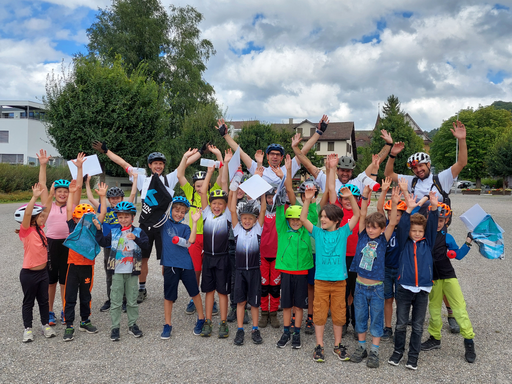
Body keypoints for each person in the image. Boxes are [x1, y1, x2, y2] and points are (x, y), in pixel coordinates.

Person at [92, 140, 201, 303]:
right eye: (155, 163)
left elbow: (184, 164)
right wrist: (106, 150)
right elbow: (123, 163)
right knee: (143, 259)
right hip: (145, 225)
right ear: (150, 165)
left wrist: (202, 151)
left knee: (168, 258)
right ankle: (142, 288)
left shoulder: (169, 179)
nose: (158, 166)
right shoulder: (142, 179)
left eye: (161, 164)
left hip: (163, 225)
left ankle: (168, 286)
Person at [301, 182, 360, 363]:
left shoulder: (343, 232)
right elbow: (303, 219)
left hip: (339, 281)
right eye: (322, 217)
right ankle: (319, 345)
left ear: (336, 220)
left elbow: (358, 215)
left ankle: (337, 345)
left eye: (326, 217)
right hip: (321, 280)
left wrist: (350, 196)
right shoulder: (318, 233)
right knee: (319, 313)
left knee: (339, 313)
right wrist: (308, 200)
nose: (323, 220)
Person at [349, 186, 399, 368]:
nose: (370, 230)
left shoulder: (383, 240)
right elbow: (362, 215)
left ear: (382, 229)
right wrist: (364, 197)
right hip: (360, 286)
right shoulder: (362, 236)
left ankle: (375, 350)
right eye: (369, 227)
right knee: (361, 317)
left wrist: (393, 203)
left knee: (376, 320)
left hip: (377, 288)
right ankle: (362, 347)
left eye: (375, 228)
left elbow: (392, 222)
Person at [388, 191, 439, 370]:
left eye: (420, 231)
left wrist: (434, 207)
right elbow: (401, 226)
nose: (416, 234)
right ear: (409, 231)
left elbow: (432, 225)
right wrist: (408, 209)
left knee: (417, 326)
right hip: (404, 288)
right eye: (413, 230)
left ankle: (413, 357)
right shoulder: (404, 242)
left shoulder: (428, 242)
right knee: (401, 324)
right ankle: (397, 352)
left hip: (423, 290)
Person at [420, 203, 476, 363]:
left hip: (448, 277)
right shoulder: (425, 235)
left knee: (459, 309)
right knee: (434, 309)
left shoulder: (447, 237)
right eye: (435, 219)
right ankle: (435, 338)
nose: (438, 222)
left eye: (441, 220)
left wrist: (467, 243)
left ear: (447, 220)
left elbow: (457, 255)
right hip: (433, 279)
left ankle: (469, 341)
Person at [274, 156, 316, 350]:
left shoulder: (306, 231)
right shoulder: (282, 229)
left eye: (298, 219)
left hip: (302, 271)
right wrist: (286, 175)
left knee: (299, 305)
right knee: (287, 305)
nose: (296, 222)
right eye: (293, 220)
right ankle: (286, 331)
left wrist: (307, 201)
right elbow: (284, 201)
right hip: (286, 271)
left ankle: (297, 332)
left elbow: (307, 216)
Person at [176, 146, 225, 316]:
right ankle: (193, 298)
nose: (199, 188)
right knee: (195, 270)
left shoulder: (212, 193)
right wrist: (185, 157)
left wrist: (218, 155)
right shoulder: (189, 193)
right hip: (194, 238)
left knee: (211, 270)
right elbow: (180, 175)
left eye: (202, 185)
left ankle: (213, 300)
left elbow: (222, 175)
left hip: (211, 237)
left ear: (208, 184)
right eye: (197, 185)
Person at [37, 149, 84, 326]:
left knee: (65, 280)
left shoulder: (72, 204)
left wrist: (79, 169)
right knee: (51, 282)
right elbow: (42, 185)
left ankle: (66, 309)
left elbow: (77, 187)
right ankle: (49, 312)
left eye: (65, 191)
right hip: (50, 244)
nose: (63, 194)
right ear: (54, 193)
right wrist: (43, 165)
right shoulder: (48, 205)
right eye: (60, 192)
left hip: (68, 245)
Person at [94, 198, 149, 341]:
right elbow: (103, 242)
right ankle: (115, 327)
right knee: (116, 300)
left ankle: (132, 324)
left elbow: (146, 246)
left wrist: (135, 238)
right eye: (120, 217)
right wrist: (99, 230)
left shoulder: (139, 231)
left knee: (131, 300)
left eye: (126, 217)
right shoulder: (113, 232)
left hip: (132, 271)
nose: (123, 220)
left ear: (132, 217)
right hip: (117, 271)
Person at [383, 120, 468, 213]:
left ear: (428, 164)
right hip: (417, 225)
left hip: (437, 225)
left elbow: (461, 163)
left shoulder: (441, 179)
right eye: (414, 168)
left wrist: (462, 140)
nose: (418, 170)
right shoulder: (412, 181)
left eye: (420, 166)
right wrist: (392, 155)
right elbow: (388, 174)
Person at [86, 174, 138, 313]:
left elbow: (133, 193)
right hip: (109, 247)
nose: (115, 200)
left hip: (124, 247)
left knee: (126, 272)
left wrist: (135, 179)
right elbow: (91, 198)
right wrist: (87, 183)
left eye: (117, 198)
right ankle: (111, 299)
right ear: (108, 199)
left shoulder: (125, 209)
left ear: (122, 199)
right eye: (112, 198)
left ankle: (125, 301)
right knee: (110, 273)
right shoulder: (105, 209)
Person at [158, 194, 206, 339]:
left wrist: (195, 221)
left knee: (194, 292)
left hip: (186, 265)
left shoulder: (185, 227)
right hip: (170, 265)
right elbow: (156, 212)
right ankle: (167, 324)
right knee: (168, 296)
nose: (179, 214)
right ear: (171, 209)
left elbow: (191, 240)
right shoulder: (164, 223)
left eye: (182, 212)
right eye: (176, 210)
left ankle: (201, 318)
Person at [15, 183, 56, 342]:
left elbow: (47, 210)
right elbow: (27, 215)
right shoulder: (26, 230)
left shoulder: (40, 228)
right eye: (39, 217)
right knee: (29, 302)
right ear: (33, 219)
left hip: (43, 272)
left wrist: (50, 194)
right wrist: (34, 197)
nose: (43, 218)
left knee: (44, 301)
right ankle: (27, 329)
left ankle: (45, 325)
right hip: (29, 274)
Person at [214, 118, 311, 185]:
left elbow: (303, 152)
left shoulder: (288, 168)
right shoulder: (259, 169)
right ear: (267, 156)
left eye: (278, 155)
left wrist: (319, 132)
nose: (275, 157)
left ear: (282, 158)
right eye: (272, 154)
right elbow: (241, 153)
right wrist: (225, 135)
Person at [62, 179, 101, 342]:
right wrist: (71, 192)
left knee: (86, 296)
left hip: (87, 267)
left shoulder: (94, 229)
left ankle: (85, 321)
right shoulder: (73, 228)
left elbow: (102, 212)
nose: (80, 221)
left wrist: (102, 198)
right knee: (70, 296)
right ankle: (69, 324)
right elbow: (69, 211)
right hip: (72, 266)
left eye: (84, 218)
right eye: (78, 218)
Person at [198, 162, 232, 338]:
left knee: (222, 291)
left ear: (225, 206)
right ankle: (208, 320)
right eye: (214, 203)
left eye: (220, 203)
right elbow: (203, 192)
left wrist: (223, 167)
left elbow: (225, 185)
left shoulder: (227, 216)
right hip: (208, 258)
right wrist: (209, 173)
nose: (217, 206)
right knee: (208, 291)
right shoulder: (206, 214)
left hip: (223, 258)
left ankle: (224, 322)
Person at [229, 190, 266, 346]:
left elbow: (263, 209)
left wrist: (262, 193)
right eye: (244, 218)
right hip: (239, 271)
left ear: (255, 220)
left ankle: (255, 329)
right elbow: (232, 209)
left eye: (250, 219)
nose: (247, 221)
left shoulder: (257, 230)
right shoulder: (237, 230)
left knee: (255, 303)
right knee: (240, 302)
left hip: (254, 271)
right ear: (240, 219)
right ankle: (240, 329)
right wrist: (233, 189)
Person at [376, 177, 408, 342]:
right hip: (386, 269)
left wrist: (405, 193)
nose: (392, 216)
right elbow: (379, 208)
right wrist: (383, 191)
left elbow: (410, 209)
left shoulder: (404, 229)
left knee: (402, 299)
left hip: (401, 270)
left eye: (395, 214)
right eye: (389, 214)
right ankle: (387, 327)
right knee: (387, 298)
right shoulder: (385, 228)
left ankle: (400, 326)